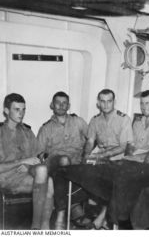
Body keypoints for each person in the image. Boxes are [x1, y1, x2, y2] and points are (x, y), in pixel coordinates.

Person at [37, 91, 89, 229]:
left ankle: (66, 211)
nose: (61, 105)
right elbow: (40, 153)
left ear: (69, 105)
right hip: (55, 163)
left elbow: (91, 139)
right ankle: (72, 211)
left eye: (64, 103)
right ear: (52, 105)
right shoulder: (46, 128)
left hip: (76, 165)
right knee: (64, 161)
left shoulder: (78, 122)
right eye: (57, 103)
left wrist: (86, 156)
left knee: (67, 172)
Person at [0, 93, 52, 229]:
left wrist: (41, 158)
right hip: (7, 177)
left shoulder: (27, 131)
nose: (21, 113)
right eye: (17, 109)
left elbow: (39, 156)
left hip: (27, 173)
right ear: (6, 111)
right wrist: (22, 161)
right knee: (49, 183)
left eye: (23, 110)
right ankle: (39, 227)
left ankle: (40, 227)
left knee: (44, 172)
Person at [83, 89, 133, 229]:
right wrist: (86, 154)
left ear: (114, 102)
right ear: (98, 103)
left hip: (118, 157)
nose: (106, 105)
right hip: (100, 156)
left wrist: (100, 156)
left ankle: (101, 219)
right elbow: (90, 141)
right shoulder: (95, 120)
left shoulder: (123, 119)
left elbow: (123, 147)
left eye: (109, 101)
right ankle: (97, 216)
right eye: (102, 101)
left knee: (111, 181)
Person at [125, 90, 149, 161]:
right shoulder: (137, 122)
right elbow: (130, 144)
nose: (144, 107)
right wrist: (128, 157)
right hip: (132, 157)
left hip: (148, 160)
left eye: (147, 103)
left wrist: (134, 158)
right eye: (142, 103)